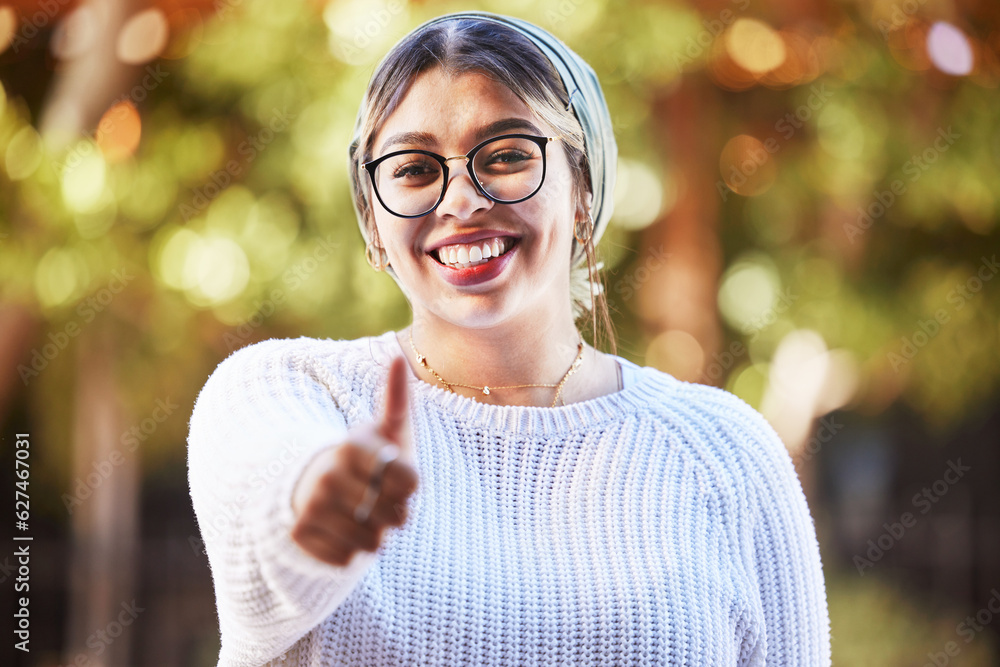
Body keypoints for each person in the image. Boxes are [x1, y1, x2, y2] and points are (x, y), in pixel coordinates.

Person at [187, 10, 831, 666]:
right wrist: (316, 506)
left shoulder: (723, 454)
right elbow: (270, 554)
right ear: (373, 223)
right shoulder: (293, 394)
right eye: (413, 168)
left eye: (507, 156)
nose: (461, 200)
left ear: (581, 188)